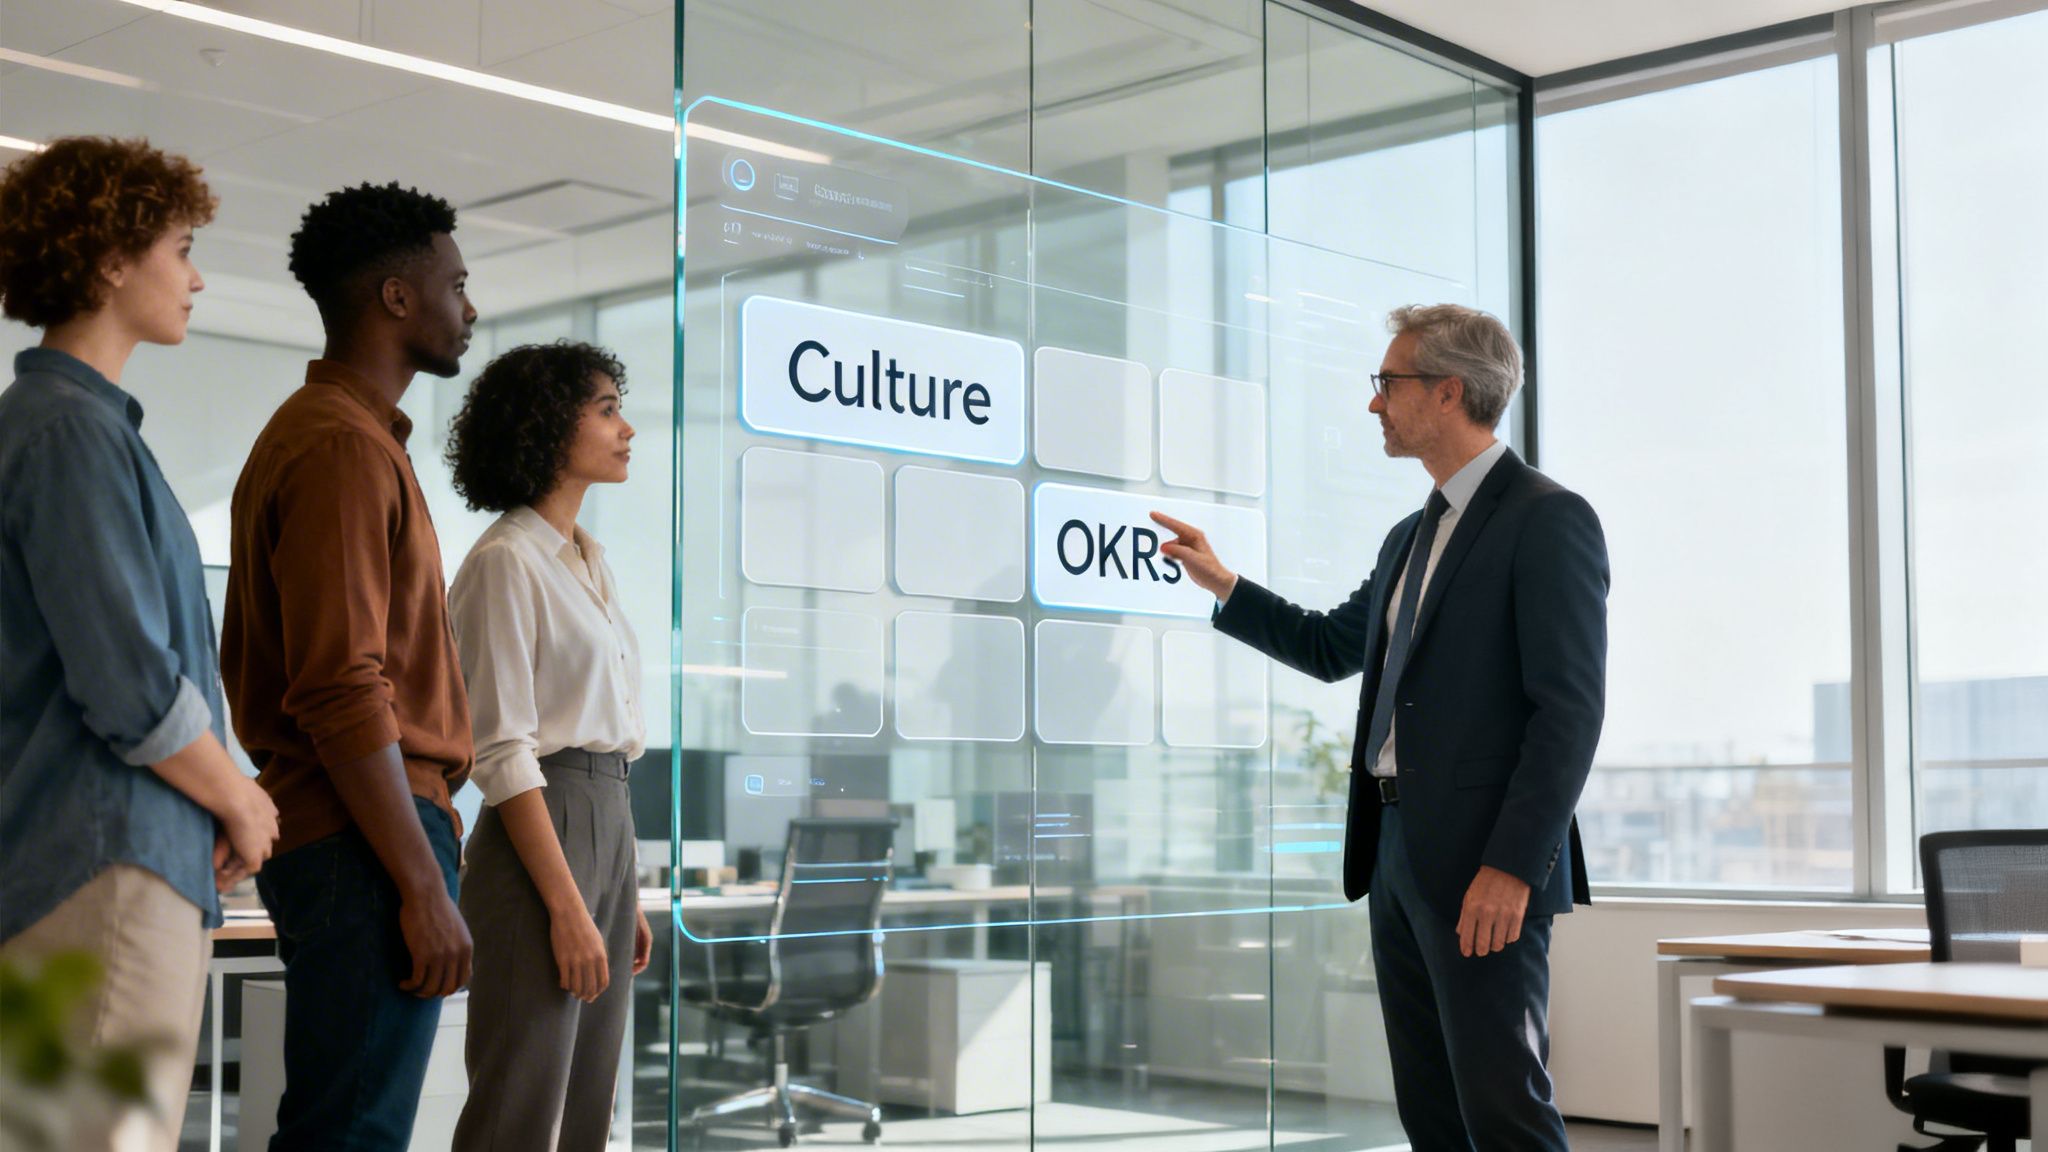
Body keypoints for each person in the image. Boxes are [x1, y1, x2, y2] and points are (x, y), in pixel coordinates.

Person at [1154, 303, 1608, 1152]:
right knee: (1431, 1113)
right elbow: (1331, 645)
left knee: (1502, 1107)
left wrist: (1512, 868)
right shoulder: (1411, 535)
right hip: (1396, 848)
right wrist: (1222, 581)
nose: (1374, 405)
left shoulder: (1547, 518)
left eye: (1387, 384)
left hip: (1485, 864)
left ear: (1447, 392)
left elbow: (1570, 712)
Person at [0, 136, 279, 1150]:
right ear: (112, 260)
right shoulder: (70, 434)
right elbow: (130, 686)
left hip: (103, 861)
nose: (196, 275)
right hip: (104, 867)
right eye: (180, 245)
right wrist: (241, 798)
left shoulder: (74, 429)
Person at [221, 182, 478, 1150]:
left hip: (357, 830)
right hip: (366, 835)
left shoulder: (345, 437)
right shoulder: (339, 447)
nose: (469, 306)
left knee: (342, 1123)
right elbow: (339, 685)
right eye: (455, 283)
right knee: (349, 1134)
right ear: (396, 299)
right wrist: (419, 886)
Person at [441, 340, 654, 1151]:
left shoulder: (588, 562)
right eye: (606, 410)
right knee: (519, 1105)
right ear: (545, 428)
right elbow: (502, 752)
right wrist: (570, 906)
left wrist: (619, 891)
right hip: (544, 825)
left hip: (606, 818)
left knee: (586, 1104)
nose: (626, 427)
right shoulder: (505, 562)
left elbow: (606, 733)